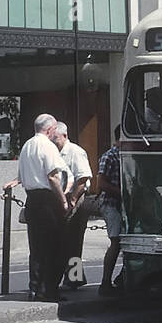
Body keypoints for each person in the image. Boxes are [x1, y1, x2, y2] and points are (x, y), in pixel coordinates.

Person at [6, 114, 69, 302]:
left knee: (37, 247)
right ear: (50, 129)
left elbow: (22, 176)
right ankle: (49, 289)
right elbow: (53, 177)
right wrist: (63, 200)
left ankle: (34, 287)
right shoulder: (47, 146)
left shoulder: (27, 146)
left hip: (31, 199)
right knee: (54, 246)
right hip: (47, 199)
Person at [53, 122, 93, 289]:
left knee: (74, 243)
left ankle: (74, 279)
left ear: (64, 135)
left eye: (55, 138)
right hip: (62, 198)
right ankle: (75, 276)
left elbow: (83, 179)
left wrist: (73, 199)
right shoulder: (54, 153)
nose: (53, 141)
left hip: (77, 198)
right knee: (64, 242)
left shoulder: (75, 152)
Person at [97, 125, 124, 298]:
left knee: (123, 242)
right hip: (111, 204)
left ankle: (122, 277)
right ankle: (105, 282)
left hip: (123, 205)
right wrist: (121, 192)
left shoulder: (125, 156)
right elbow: (101, 183)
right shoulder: (109, 156)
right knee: (116, 241)